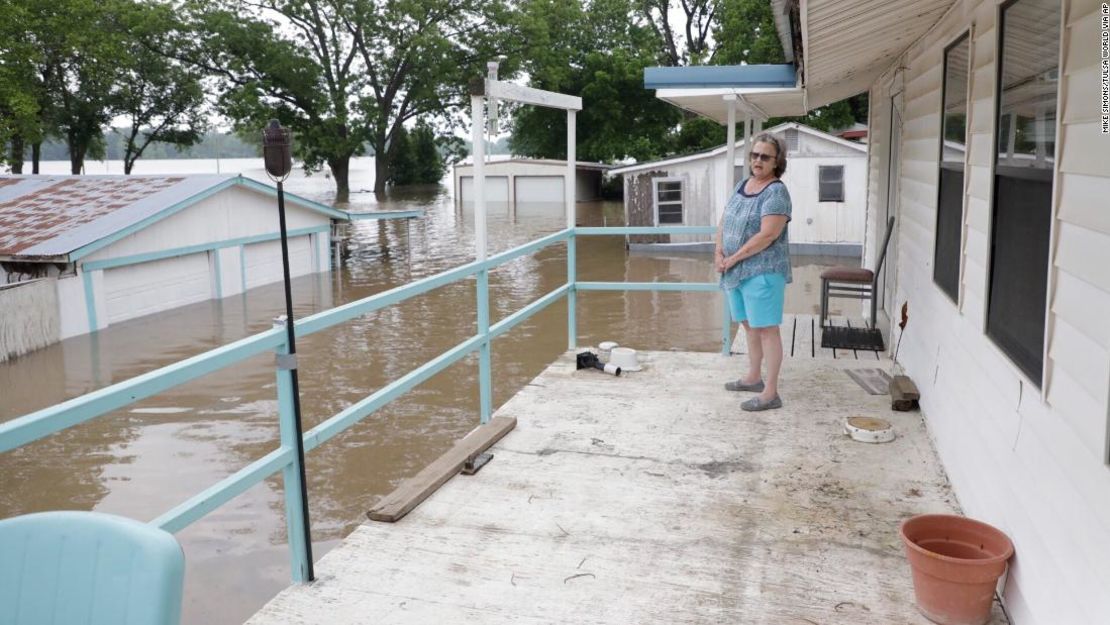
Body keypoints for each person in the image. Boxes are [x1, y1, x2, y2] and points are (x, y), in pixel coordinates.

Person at [715, 133, 792, 411]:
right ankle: (753, 377)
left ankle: (771, 393)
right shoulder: (742, 184)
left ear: (776, 162)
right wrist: (718, 252)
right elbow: (726, 219)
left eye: (765, 156)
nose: (757, 160)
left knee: (767, 329)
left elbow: (767, 236)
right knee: (749, 325)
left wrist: (732, 258)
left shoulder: (776, 192)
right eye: (754, 155)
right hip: (736, 271)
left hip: (763, 272)